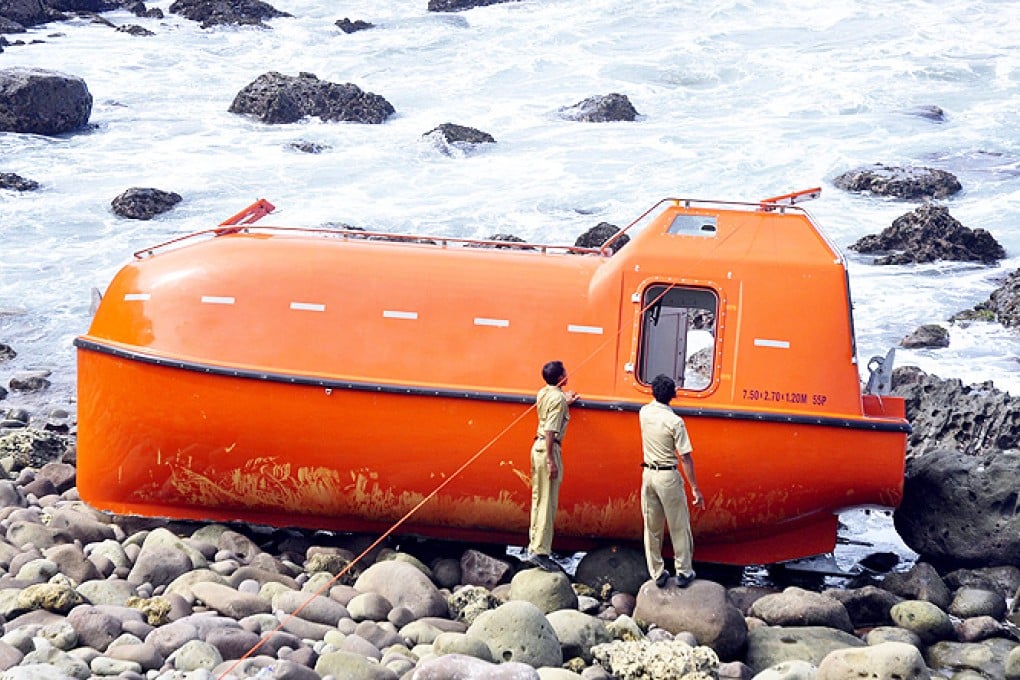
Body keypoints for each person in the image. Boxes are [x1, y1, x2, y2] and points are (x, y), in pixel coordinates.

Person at [639, 374, 704, 588]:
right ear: (673, 395)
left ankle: (657, 573)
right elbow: (685, 457)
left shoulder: (644, 412)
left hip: (648, 474)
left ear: (653, 392)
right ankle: (684, 572)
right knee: (679, 526)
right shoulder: (675, 422)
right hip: (668, 476)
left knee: (652, 527)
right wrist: (695, 488)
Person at [527, 360, 578, 571]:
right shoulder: (557, 399)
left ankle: (533, 545)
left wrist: (565, 402)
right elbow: (550, 430)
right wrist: (551, 460)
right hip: (549, 449)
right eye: (565, 372)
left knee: (538, 499)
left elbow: (551, 408)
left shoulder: (544, 393)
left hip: (535, 448)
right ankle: (541, 552)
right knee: (548, 502)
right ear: (560, 378)